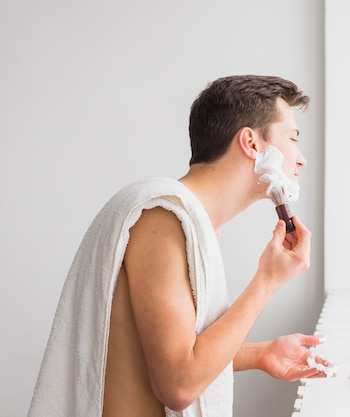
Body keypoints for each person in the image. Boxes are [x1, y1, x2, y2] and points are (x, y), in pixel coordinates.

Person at [28, 75, 332, 417]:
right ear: (252, 143)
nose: (301, 159)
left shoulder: (189, 221)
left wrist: (261, 354)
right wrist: (268, 281)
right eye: (292, 138)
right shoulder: (163, 217)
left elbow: (172, 350)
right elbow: (179, 385)